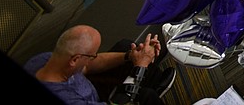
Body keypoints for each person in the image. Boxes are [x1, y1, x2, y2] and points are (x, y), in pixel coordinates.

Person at [25, 25, 172, 104]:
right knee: (147, 96)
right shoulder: (68, 98)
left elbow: (88, 66)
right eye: (92, 55)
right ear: (75, 60)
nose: (94, 56)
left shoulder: (44, 59)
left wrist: (131, 56)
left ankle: (153, 80)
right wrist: (140, 66)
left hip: (91, 86)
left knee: (125, 46)